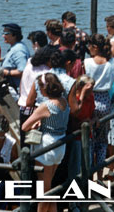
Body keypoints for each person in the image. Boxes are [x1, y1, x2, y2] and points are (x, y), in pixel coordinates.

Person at [21, 73, 81, 212]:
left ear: (45, 88)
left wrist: (36, 123)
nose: (38, 91)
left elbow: (24, 126)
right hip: (59, 145)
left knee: (44, 190)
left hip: (46, 146)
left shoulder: (46, 106)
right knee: (50, 187)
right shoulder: (64, 101)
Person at [84, 33, 114, 181]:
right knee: (102, 141)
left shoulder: (86, 62)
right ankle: (99, 175)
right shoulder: (113, 63)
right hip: (105, 101)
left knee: (89, 141)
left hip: (91, 99)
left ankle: (89, 175)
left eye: (89, 46)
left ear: (94, 47)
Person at [17, 44, 54, 124]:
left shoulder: (29, 63)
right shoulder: (45, 72)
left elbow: (21, 84)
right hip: (33, 108)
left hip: (22, 106)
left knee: (23, 130)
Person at [0, 23, 30, 91]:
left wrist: (6, 72)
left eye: (6, 33)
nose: (3, 36)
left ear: (14, 35)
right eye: (3, 33)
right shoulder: (15, 46)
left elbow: (22, 71)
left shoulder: (19, 50)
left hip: (17, 88)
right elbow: (11, 59)